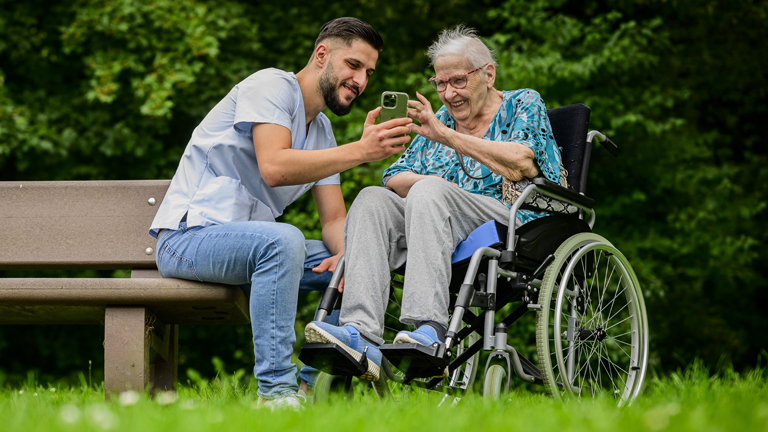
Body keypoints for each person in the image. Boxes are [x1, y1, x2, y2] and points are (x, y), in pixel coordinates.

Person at [149, 17, 412, 410]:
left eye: (369, 73)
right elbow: (275, 167)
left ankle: (307, 390)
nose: (361, 81)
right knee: (283, 239)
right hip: (187, 241)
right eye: (353, 65)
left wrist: (347, 256)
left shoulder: (322, 131)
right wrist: (363, 150)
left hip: (249, 250)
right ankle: (275, 392)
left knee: (365, 256)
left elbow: (333, 221)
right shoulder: (271, 86)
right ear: (322, 54)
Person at [304, 25, 568, 381]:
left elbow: (521, 162)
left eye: (457, 81)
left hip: (511, 217)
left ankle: (428, 328)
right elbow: (394, 176)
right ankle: (360, 333)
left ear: (488, 74)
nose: (448, 94)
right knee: (372, 199)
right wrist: (433, 181)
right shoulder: (440, 119)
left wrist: (444, 143)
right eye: (439, 84)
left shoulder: (522, 103)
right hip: (438, 222)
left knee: (429, 191)